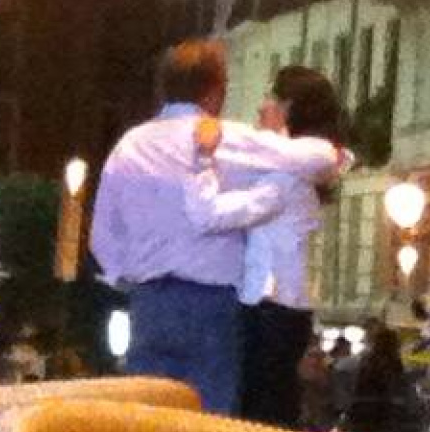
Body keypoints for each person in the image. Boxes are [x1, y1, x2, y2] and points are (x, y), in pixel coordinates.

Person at [90, 39, 346, 414]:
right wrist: (287, 139)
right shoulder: (227, 139)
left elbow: (103, 236)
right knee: (208, 415)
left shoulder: (130, 146)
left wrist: (126, 277)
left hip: (149, 302)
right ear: (215, 91)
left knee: (147, 415)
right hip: (211, 304)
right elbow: (318, 157)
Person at [184, 65, 354, 426]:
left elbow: (209, 214)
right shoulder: (300, 171)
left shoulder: (284, 181)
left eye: (271, 97)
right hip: (283, 307)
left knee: (258, 413)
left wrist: (202, 162)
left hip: (270, 307)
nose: (261, 107)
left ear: (288, 108)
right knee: (272, 408)